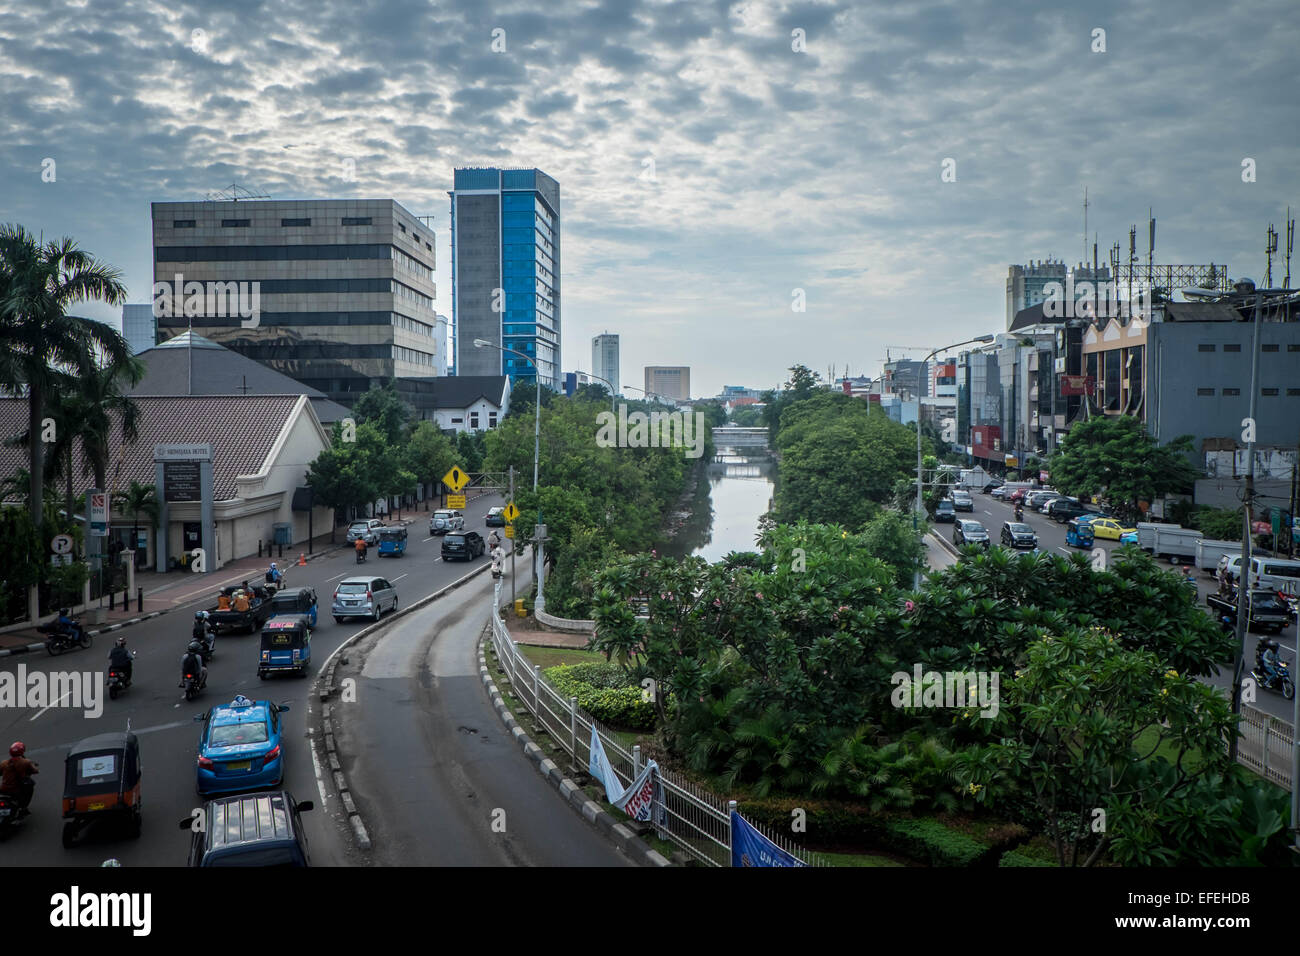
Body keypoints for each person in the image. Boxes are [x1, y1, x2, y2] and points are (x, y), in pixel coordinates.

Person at [0, 742, 38, 812]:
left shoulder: (4, 763)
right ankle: (23, 807)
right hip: (15, 790)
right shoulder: (26, 762)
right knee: (29, 787)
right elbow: (35, 771)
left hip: (3, 789)